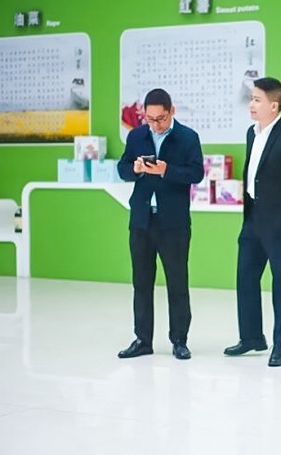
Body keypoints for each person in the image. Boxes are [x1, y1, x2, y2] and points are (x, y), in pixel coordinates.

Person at [223, 77, 281, 367]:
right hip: (253, 218)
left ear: (274, 106)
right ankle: (251, 337)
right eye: (251, 98)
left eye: (257, 100)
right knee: (245, 277)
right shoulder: (252, 133)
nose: (251, 104)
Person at [116, 88, 204, 360]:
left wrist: (167, 170)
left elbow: (196, 173)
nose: (155, 125)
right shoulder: (136, 136)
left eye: (161, 118)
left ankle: (179, 340)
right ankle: (143, 339)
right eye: (150, 119)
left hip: (173, 223)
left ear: (172, 111)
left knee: (177, 282)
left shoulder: (188, 137)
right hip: (142, 220)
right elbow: (122, 168)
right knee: (141, 282)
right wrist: (135, 169)